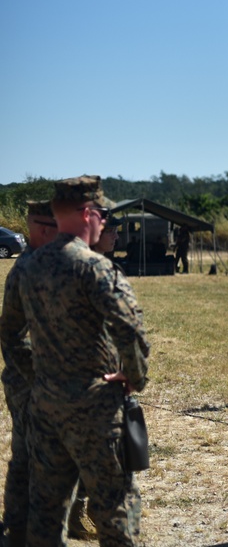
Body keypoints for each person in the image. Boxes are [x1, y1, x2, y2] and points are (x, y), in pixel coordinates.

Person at [0, 175, 150, 545]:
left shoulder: (28, 266)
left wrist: (40, 377)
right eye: (101, 213)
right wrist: (132, 377)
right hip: (95, 409)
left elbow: (10, 334)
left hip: (45, 408)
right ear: (86, 214)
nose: (104, 220)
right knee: (115, 508)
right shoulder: (95, 267)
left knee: (46, 513)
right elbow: (129, 331)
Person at [0, 200, 59, 546]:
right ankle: (17, 529)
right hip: (27, 383)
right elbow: (12, 336)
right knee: (25, 458)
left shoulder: (48, 264)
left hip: (44, 381)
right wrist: (40, 377)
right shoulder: (25, 269)